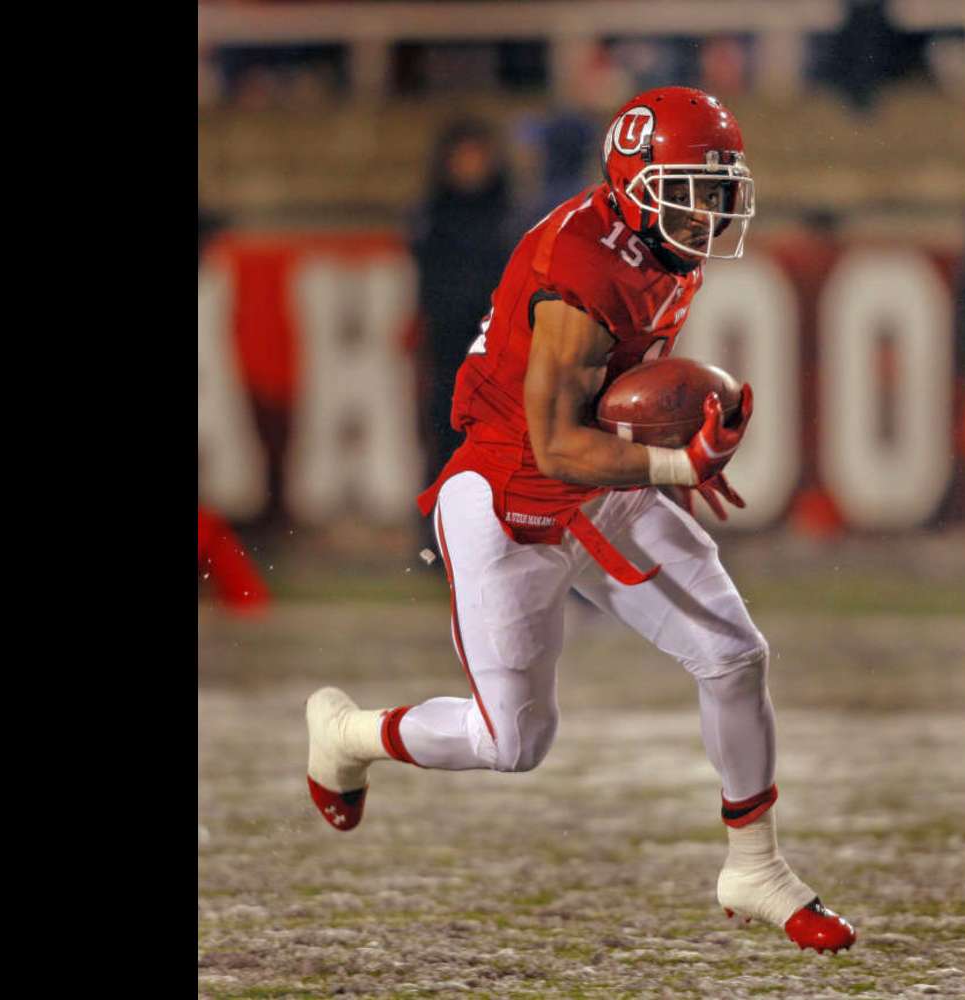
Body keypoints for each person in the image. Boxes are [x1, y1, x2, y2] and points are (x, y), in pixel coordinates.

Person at [305, 87, 856, 954]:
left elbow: (604, 412)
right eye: (692, 188)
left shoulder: (661, 245)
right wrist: (674, 463)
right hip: (508, 490)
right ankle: (347, 734)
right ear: (637, 182)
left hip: (597, 481)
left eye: (719, 188)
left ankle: (754, 867)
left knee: (735, 654)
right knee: (514, 742)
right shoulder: (581, 265)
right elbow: (555, 444)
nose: (710, 209)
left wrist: (659, 449)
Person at [409, 119, 517, 549]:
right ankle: (438, 541)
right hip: (450, 354)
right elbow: (429, 291)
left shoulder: (508, 216)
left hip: (498, 355)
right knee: (447, 443)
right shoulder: (433, 217)